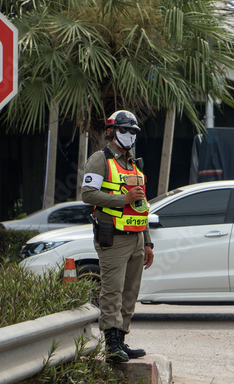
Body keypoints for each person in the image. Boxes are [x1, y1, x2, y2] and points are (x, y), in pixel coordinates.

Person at [81, 110, 154, 363]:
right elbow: (88, 195)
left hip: (135, 237)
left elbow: (141, 206)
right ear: (111, 131)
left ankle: (121, 339)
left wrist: (147, 241)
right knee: (112, 291)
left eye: (133, 132)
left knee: (130, 292)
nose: (129, 136)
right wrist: (123, 199)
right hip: (112, 236)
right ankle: (111, 344)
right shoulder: (100, 160)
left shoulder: (133, 164)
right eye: (124, 130)